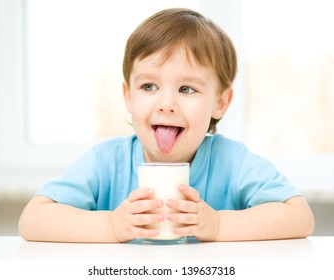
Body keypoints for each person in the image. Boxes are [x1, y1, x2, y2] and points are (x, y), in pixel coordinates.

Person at [18, 8, 315, 243]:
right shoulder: (105, 162)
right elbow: (32, 220)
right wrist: (111, 225)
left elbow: (300, 217)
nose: (166, 103)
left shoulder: (233, 162)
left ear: (220, 103)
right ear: (128, 97)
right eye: (149, 86)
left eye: (187, 89)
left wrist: (219, 224)